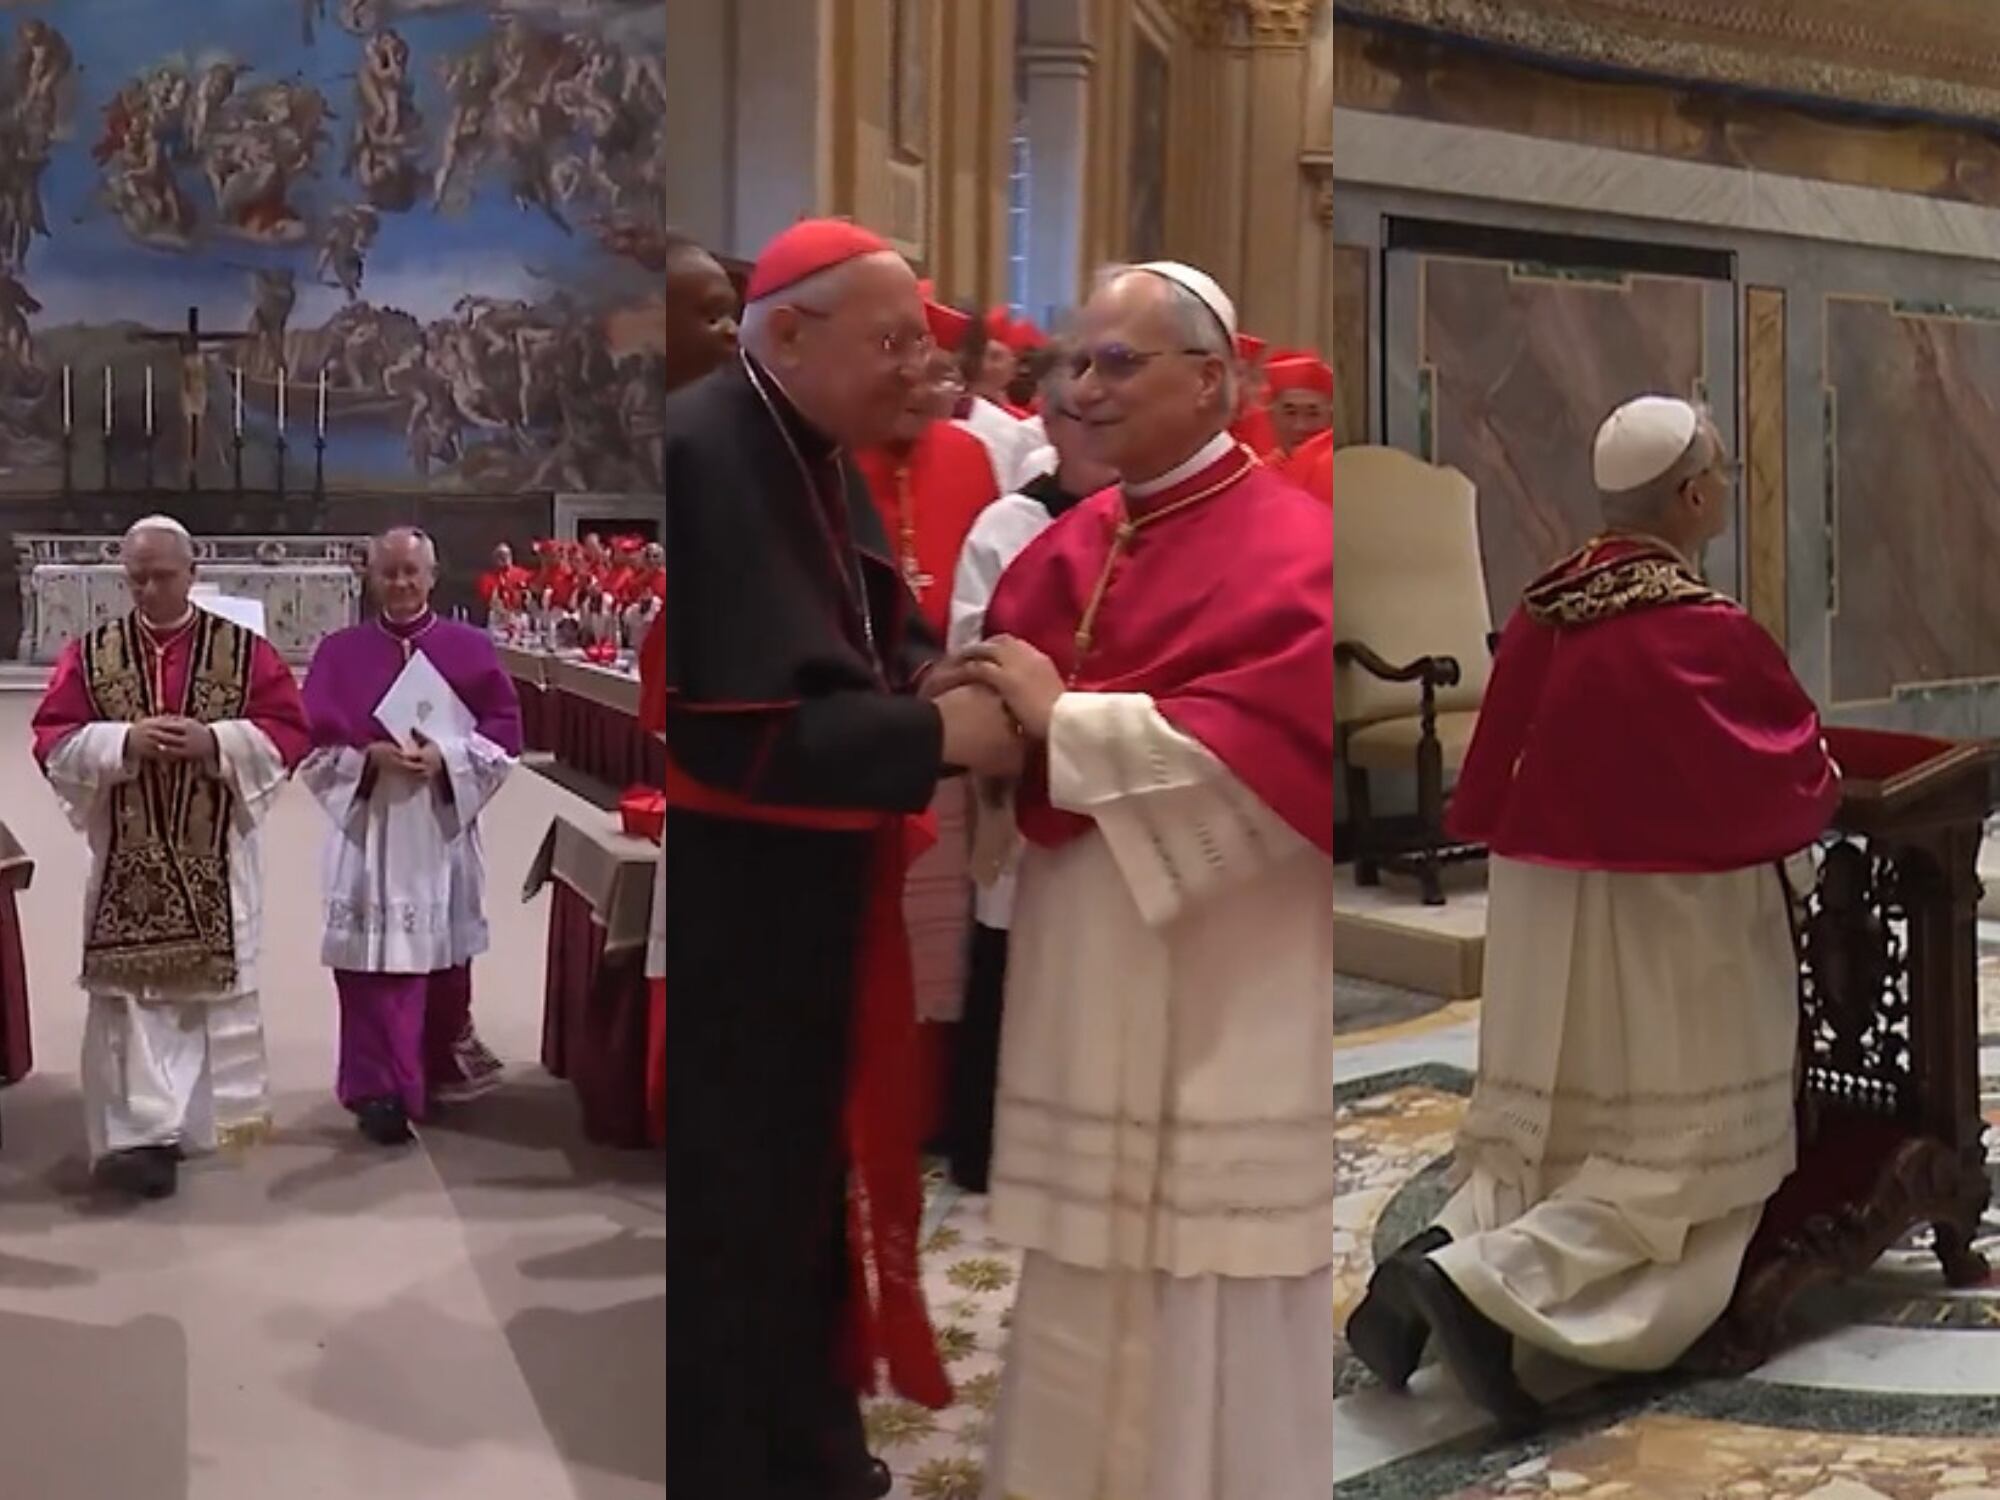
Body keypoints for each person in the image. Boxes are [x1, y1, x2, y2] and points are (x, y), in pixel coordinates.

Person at [1344, 396, 1840, 1435]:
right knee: (1678, 1173)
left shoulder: (1544, 609)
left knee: (1550, 1150)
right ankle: (1488, 1285)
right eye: (1719, 473)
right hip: (1668, 930)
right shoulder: (1699, 629)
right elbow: (1790, 773)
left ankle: (1433, 1255)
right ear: (1692, 495)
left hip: (1546, 921)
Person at [955, 262, 1335, 1498]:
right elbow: (1007, 720)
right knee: (1084, 1257)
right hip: (1083, 947)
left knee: (1204, 1259)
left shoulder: (1294, 547)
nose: (1082, 388)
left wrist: (1063, 722)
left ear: (1210, 381)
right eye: (1075, 363)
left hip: (1219, 962)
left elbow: (1277, 758)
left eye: (1118, 362)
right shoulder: (1062, 546)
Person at [662, 217, 1026, 1500]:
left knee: (801, 1186)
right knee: (748, 1199)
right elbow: (742, 722)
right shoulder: (706, 451)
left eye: (923, 345)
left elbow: (875, 629)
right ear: (788, 332)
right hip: (748, 900)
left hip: (812, 896)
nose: (919, 371)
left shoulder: (806, 441)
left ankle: (807, 1442)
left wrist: (935, 677)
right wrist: (939, 734)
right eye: (893, 343)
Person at [30, 515, 311, 1199]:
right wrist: (121, 742)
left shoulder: (244, 654)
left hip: (217, 856)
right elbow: (53, 737)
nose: (149, 590)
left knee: (205, 996)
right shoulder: (93, 654)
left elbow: (288, 730)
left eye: (162, 576)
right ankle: (136, 1138)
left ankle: (194, 1127)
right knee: (130, 1001)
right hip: (126, 863)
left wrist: (216, 742)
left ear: (193, 572)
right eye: (137, 579)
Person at [940, 344, 1119, 1195]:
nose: (1104, 432)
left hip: (1116, 765)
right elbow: (973, 645)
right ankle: (991, 1150)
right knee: (1012, 954)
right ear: (1048, 423)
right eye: (1084, 417)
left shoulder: (1154, 519)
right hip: (1026, 772)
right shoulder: (1009, 525)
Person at [299, 527, 525, 1145]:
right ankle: (378, 1090)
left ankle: (435, 1068)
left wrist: (446, 758)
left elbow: (505, 733)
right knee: (370, 967)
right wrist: (366, 757)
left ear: (432, 576)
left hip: (439, 824)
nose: (400, 583)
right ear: (370, 577)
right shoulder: (339, 652)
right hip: (370, 827)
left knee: (444, 959)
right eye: (388, 572)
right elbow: (309, 743)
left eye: (411, 572)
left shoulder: (470, 647)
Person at [1263, 351, 1333, 458]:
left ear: (1330, 418)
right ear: (1271, 416)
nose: (1300, 426)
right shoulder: (1260, 467)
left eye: (1313, 414)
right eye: (1290, 413)